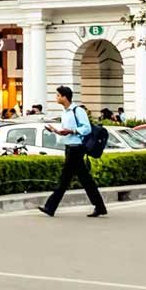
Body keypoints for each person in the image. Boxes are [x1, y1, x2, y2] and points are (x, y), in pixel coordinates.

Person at [38, 86, 107, 218]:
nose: (56, 98)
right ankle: (100, 206)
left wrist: (71, 131)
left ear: (65, 97)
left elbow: (86, 128)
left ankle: (50, 207)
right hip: (69, 146)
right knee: (85, 179)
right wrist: (56, 131)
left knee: (64, 179)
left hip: (77, 148)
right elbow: (66, 131)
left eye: (58, 95)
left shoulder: (78, 110)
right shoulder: (65, 112)